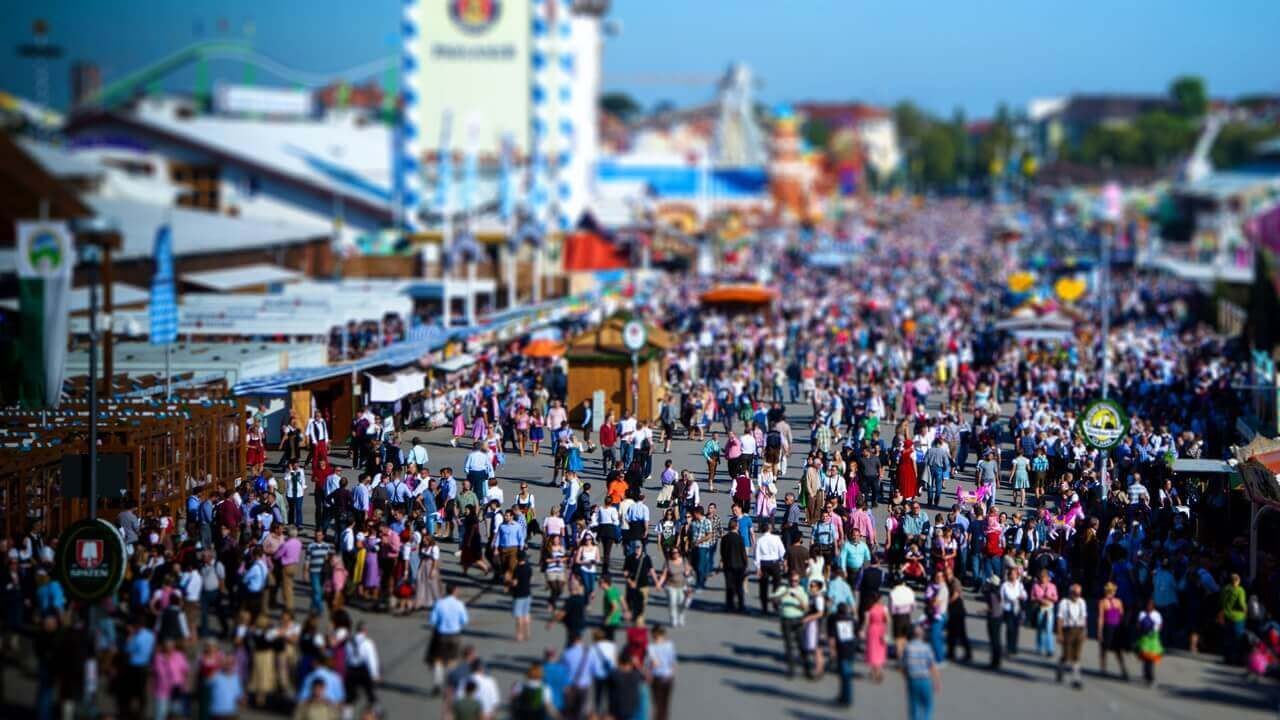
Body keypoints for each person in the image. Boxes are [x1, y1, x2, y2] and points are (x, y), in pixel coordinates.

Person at [427, 583, 469, 696]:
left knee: (438, 660)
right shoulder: (459, 604)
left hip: (441, 634)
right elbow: (464, 620)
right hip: (455, 635)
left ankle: (437, 683)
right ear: (455, 591)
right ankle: (449, 685)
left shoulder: (440, 604)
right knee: (452, 661)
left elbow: (432, 620)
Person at [771, 573, 811, 678]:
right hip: (786, 620)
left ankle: (807, 669)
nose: (794, 583)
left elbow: (806, 608)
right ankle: (791, 670)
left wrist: (797, 597)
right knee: (788, 646)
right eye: (792, 581)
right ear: (789, 581)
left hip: (798, 620)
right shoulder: (783, 589)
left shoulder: (802, 591)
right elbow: (773, 600)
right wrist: (784, 594)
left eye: (796, 581)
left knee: (802, 645)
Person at [902, 624, 941, 720]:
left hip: (913, 679)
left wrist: (906, 679)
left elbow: (904, 667)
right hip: (925, 679)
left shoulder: (908, 648)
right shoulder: (926, 648)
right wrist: (937, 681)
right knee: (927, 705)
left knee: (914, 706)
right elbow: (932, 667)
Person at [1056, 583, 1088, 689]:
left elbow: (1084, 618)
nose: (1077, 595)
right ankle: (1060, 668)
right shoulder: (1064, 603)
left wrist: (1084, 632)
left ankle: (1076, 678)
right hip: (1067, 630)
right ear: (1070, 593)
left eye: (1078, 593)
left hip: (1079, 629)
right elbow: (1060, 618)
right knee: (1066, 655)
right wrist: (1059, 633)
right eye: (1075, 593)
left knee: (1076, 656)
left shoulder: (1082, 602)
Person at [1097, 581, 1129, 680]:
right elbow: (1122, 616)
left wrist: (1099, 632)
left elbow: (1101, 618)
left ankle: (1103, 669)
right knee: (1118, 651)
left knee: (1104, 650)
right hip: (1117, 628)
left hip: (1108, 628)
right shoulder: (1119, 602)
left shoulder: (1103, 602)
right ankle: (1123, 670)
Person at [646, 625, 677, 720]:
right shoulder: (670, 645)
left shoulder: (651, 647)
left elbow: (653, 664)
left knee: (658, 704)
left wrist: (648, 676)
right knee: (665, 704)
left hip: (657, 678)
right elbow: (673, 662)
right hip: (668, 677)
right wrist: (671, 675)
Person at [830, 602, 858, 707]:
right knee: (846, 674)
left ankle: (846, 698)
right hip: (851, 649)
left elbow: (832, 638)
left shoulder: (835, 621)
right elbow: (857, 632)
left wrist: (832, 651)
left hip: (842, 650)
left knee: (844, 675)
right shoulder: (852, 620)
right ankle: (843, 696)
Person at [719, 519, 749, 613]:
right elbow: (743, 553)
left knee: (729, 586)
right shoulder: (740, 538)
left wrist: (723, 561)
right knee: (739, 586)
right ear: (736, 526)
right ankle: (741, 606)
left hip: (728, 565)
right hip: (739, 565)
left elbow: (722, 552)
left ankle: (729, 605)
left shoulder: (724, 538)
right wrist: (745, 564)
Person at [1135, 598, 1164, 688]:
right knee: (1145, 659)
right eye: (1148, 604)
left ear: (1153, 606)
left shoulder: (1157, 615)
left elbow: (1160, 626)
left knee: (1150, 660)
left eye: (1151, 605)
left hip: (1153, 639)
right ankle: (1146, 676)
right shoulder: (1142, 614)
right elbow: (1138, 625)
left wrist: (1154, 630)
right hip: (1144, 639)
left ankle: (1150, 678)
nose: (1149, 606)